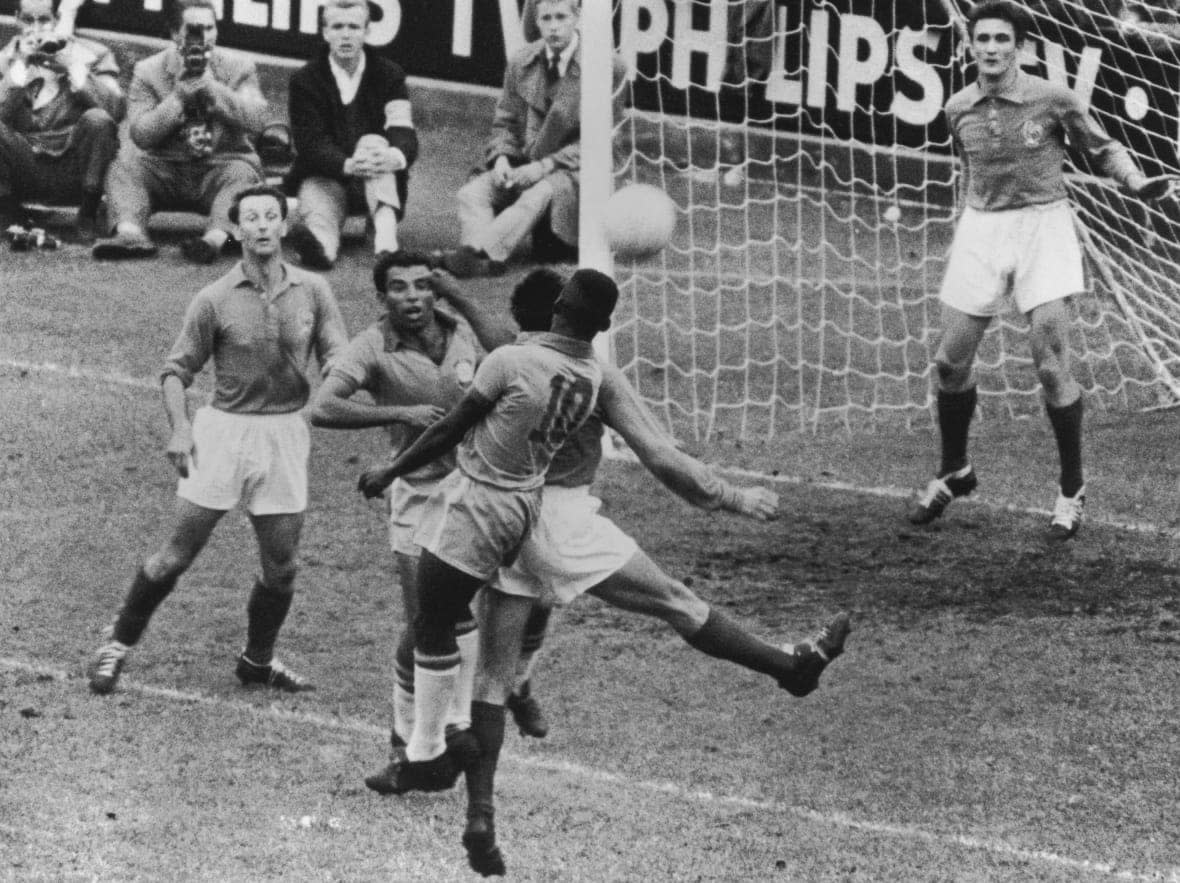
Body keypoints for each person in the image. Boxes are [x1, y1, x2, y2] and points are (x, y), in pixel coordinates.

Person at [370, 267, 851, 877]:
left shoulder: (516, 357)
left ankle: (480, 811)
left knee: (488, 675)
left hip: (497, 519)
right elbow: (661, 456)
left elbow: (491, 349)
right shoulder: (596, 375)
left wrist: (460, 297)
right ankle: (791, 667)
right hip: (558, 518)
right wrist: (731, 496)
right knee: (677, 601)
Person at [906, 0, 1176, 540]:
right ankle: (954, 468)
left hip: (1044, 229)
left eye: (1002, 40)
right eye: (982, 39)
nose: (990, 48)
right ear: (969, 45)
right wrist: (972, 226)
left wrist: (1135, 182)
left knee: (1051, 366)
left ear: (1020, 48)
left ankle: (1071, 489)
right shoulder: (957, 107)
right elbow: (970, 172)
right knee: (948, 365)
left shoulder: (1053, 99)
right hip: (982, 228)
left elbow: (1102, 148)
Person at [353, 268, 617, 807]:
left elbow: (454, 422)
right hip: (530, 504)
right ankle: (502, 694)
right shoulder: (590, 372)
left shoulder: (510, 360)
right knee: (523, 605)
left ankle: (429, 744)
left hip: (478, 499)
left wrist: (387, 470)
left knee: (434, 621)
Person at [87, 184, 348, 695]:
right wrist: (182, 429)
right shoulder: (213, 299)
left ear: (284, 225)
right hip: (224, 434)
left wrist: (338, 381)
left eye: (271, 216)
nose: (262, 226)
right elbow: (174, 372)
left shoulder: (314, 290)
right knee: (175, 556)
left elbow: (336, 352)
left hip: (285, 436)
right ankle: (115, 645)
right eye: (251, 218)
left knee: (283, 569)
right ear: (236, 228)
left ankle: (257, 661)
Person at [307, 251, 486, 762]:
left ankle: (452, 723)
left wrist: (465, 298)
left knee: (462, 612)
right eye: (400, 288)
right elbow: (323, 407)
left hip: (474, 487)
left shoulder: (461, 329)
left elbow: (508, 351)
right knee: (425, 619)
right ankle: (403, 731)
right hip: (419, 491)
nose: (414, 297)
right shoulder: (370, 346)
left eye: (423, 286)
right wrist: (400, 411)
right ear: (382, 296)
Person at [441, 0, 625, 277]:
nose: (553, 27)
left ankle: (486, 252)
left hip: (577, 173)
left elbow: (601, 144)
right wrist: (502, 158)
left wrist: (543, 167)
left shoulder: (608, 66)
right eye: (546, 18)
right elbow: (505, 121)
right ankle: (478, 258)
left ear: (578, 18)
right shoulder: (521, 61)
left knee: (539, 193)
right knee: (472, 193)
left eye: (561, 17)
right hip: (525, 165)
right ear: (536, 22)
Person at [91, 0, 268, 264]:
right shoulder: (148, 70)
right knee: (124, 168)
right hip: (164, 167)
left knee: (244, 175)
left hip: (220, 165)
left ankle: (213, 240)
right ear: (175, 34)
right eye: (194, 29)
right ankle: (130, 234)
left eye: (209, 28)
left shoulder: (240, 68)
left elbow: (257, 120)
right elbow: (140, 134)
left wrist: (213, 89)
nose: (204, 37)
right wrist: (177, 99)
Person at [284, 0, 418, 270]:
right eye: (338, 26)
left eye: (354, 27)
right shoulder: (304, 79)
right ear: (325, 33)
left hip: (376, 177)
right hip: (326, 177)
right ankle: (320, 251)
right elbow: (310, 143)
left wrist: (394, 156)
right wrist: (347, 165)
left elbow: (403, 131)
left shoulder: (389, 75)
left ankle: (386, 240)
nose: (346, 34)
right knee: (321, 224)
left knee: (374, 143)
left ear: (367, 31)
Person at [0, 0, 124, 243]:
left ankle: (87, 213)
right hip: (25, 163)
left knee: (98, 120)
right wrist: (20, 67)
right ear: (17, 19)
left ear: (56, 20)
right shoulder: (5, 59)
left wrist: (73, 67)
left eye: (44, 20)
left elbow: (114, 110)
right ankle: (10, 213)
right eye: (28, 20)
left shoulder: (92, 54)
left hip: (74, 165)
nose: (36, 28)